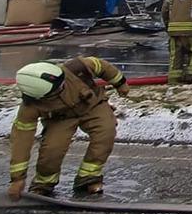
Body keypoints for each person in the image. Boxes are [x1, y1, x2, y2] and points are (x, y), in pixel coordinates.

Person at [8, 56, 129, 199]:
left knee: (105, 133)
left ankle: (88, 178)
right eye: (58, 88)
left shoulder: (77, 67)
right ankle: (44, 184)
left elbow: (102, 66)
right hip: (60, 119)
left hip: (92, 105)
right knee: (52, 150)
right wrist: (17, 179)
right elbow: (21, 142)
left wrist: (120, 83)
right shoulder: (30, 107)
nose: (63, 86)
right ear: (41, 97)